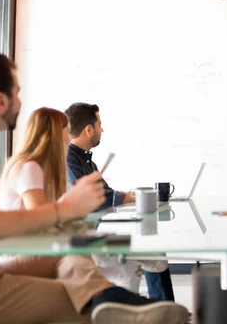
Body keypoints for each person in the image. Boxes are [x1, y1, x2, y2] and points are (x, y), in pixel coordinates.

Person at [0, 51, 188, 324]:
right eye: (17, 93)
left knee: (73, 258)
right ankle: (120, 309)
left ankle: (116, 303)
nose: (20, 102)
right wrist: (64, 209)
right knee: (75, 303)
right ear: (0, 100)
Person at [65, 102, 175, 301]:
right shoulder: (69, 160)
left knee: (154, 249)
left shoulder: (86, 160)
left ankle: (162, 309)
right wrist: (130, 198)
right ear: (89, 130)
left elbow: (106, 192)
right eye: (99, 125)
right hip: (83, 240)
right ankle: (163, 310)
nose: (102, 129)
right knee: (153, 253)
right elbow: (93, 197)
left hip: (93, 233)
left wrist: (132, 197)